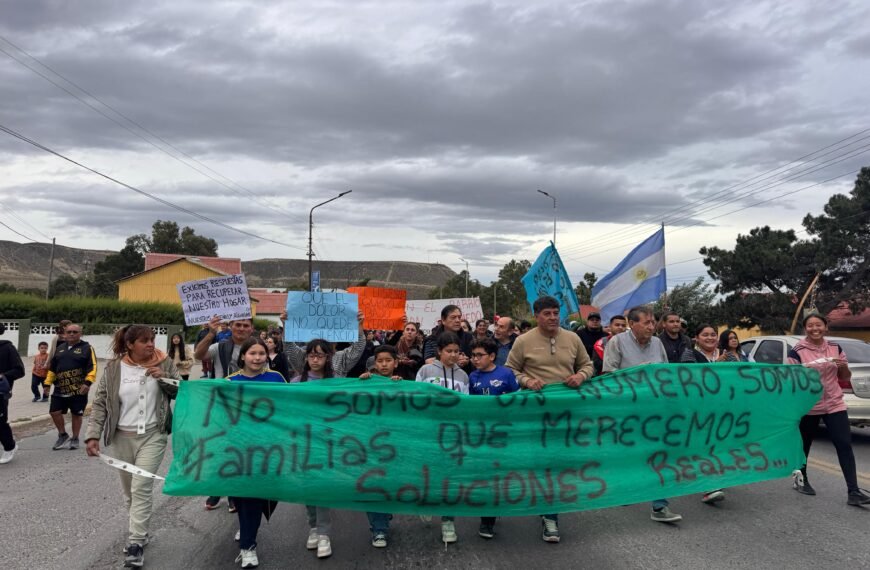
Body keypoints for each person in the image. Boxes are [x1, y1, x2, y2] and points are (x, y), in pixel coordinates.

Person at [84, 325, 182, 568]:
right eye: (144, 341)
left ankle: (136, 542)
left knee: (141, 487)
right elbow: (100, 403)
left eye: (152, 339)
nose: (151, 344)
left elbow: (181, 390)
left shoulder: (165, 362)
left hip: (153, 435)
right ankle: (140, 530)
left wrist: (164, 378)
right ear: (130, 345)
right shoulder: (114, 368)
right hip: (121, 437)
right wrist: (92, 435)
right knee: (129, 492)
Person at [506, 296, 593, 543]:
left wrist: (580, 377)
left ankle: (549, 511)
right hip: (536, 413)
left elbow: (588, 365)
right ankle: (549, 514)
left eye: (556, 313)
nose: (553, 317)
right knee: (543, 463)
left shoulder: (573, 338)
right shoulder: (523, 341)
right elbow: (510, 369)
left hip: (567, 413)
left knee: (557, 463)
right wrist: (527, 381)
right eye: (547, 313)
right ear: (537, 315)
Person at [602, 306, 682, 523]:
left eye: (653, 322)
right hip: (627, 412)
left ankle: (660, 506)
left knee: (659, 454)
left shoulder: (657, 343)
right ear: (632, 324)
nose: (651, 326)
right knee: (629, 455)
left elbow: (666, 372)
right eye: (646, 322)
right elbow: (608, 377)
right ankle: (624, 488)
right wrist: (637, 373)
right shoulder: (616, 342)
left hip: (655, 410)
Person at [788, 314, 870, 506]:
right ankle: (802, 480)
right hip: (809, 405)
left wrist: (843, 367)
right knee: (804, 446)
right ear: (805, 328)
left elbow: (845, 376)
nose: (814, 328)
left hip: (834, 403)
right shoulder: (797, 351)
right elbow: (791, 381)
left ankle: (854, 491)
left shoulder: (835, 348)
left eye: (818, 325)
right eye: (810, 325)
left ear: (825, 327)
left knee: (844, 444)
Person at [225, 337, 286, 568]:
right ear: (243, 356)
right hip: (239, 448)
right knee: (246, 496)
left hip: (270, 448)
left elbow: (293, 404)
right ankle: (248, 546)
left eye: (261, 353)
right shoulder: (230, 381)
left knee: (264, 496)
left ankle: (247, 528)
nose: (257, 358)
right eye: (252, 353)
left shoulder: (276, 378)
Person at [193, 317, 254, 511]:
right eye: (238, 325)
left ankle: (234, 492)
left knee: (239, 451)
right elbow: (198, 355)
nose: (241, 328)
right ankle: (218, 489)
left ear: (251, 328)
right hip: (221, 406)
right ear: (231, 326)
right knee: (219, 450)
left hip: (247, 408)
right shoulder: (219, 347)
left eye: (246, 325)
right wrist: (211, 333)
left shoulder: (256, 348)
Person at [416, 331, 470, 544]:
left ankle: (448, 521)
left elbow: (466, 405)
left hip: (452, 434)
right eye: (449, 351)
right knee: (429, 471)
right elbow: (416, 399)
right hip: (429, 432)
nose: (453, 355)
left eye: (457, 351)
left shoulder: (463, 376)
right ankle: (427, 501)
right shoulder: (425, 370)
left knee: (450, 476)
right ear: (439, 351)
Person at [468, 337, 519, 539]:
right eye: (473, 355)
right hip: (482, 435)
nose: (475, 359)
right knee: (486, 476)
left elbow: (518, 400)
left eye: (479, 355)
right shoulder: (472, 377)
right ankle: (486, 520)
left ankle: (498, 504)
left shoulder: (506, 374)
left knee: (501, 475)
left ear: (492, 356)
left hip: (505, 433)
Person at [358, 345, 402, 547]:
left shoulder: (401, 384)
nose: (384, 364)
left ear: (396, 362)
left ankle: (384, 516)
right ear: (375, 364)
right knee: (374, 485)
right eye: (380, 361)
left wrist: (400, 387)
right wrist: (360, 384)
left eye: (388, 360)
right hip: (370, 445)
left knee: (390, 484)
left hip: (395, 445)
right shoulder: (365, 383)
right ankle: (379, 529)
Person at [680, 323, 729, 504]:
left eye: (713, 334)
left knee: (719, 445)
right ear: (697, 338)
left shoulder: (727, 356)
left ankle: (713, 478)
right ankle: (709, 486)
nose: (710, 337)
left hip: (723, 409)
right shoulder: (690, 355)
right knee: (704, 446)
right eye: (705, 334)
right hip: (698, 410)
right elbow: (689, 380)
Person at [44, 323, 97, 451]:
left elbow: (93, 367)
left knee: (76, 414)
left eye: (75, 332)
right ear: (65, 333)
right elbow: (53, 369)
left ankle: (75, 438)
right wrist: (47, 384)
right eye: (69, 332)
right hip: (60, 388)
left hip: (79, 389)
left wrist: (88, 383)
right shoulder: (60, 348)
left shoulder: (87, 348)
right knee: (54, 412)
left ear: (80, 333)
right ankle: (62, 435)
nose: (72, 334)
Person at [0, 323, 25, 464]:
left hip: (0, 392)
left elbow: (19, 370)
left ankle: (10, 447)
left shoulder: (7, 348)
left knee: (0, 422)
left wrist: (3, 375)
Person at [423, 305, 474, 372]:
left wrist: (467, 360)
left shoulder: (468, 337)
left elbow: (476, 358)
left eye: (459, 317)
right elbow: (429, 361)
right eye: (453, 317)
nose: (458, 320)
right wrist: (454, 361)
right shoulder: (432, 339)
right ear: (443, 320)